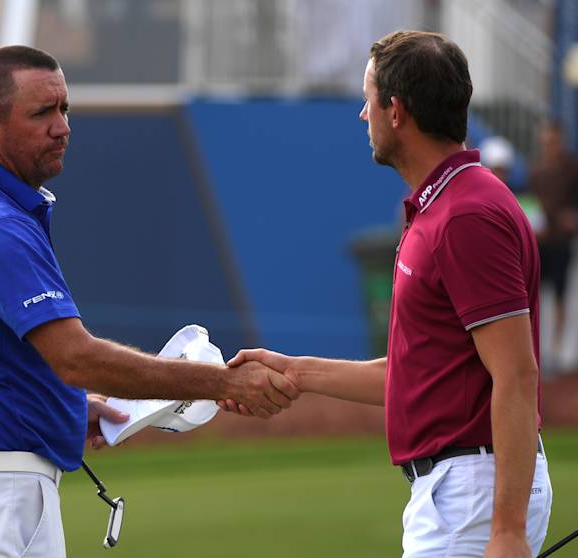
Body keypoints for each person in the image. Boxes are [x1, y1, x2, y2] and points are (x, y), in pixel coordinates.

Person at [0, 45, 299, 558]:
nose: (62, 126)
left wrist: (63, 408)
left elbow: (14, 358)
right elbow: (77, 357)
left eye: (64, 108)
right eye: (42, 113)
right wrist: (225, 382)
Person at [223, 30, 551, 557]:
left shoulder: (465, 215)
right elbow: (418, 375)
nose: (362, 114)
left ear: (395, 110)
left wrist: (507, 531)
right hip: (460, 493)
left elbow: (517, 374)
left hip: (472, 496)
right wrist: (297, 372)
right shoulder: (447, 205)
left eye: (367, 98)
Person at [526, 121, 578, 368]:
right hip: (539, 243)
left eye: (552, 141)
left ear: (560, 141)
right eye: (545, 142)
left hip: (562, 244)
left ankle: (555, 351)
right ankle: (537, 351)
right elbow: (530, 203)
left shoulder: (574, 169)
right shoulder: (536, 171)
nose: (549, 146)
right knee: (533, 297)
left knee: (560, 296)